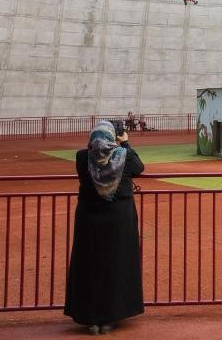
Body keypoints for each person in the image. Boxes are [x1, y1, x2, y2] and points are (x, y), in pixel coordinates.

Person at [64, 121, 144, 334]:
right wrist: (125, 144)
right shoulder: (123, 156)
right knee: (116, 265)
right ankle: (110, 317)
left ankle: (91, 317)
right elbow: (139, 167)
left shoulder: (83, 157)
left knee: (89, 265)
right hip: (119, 220)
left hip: (88, 220)